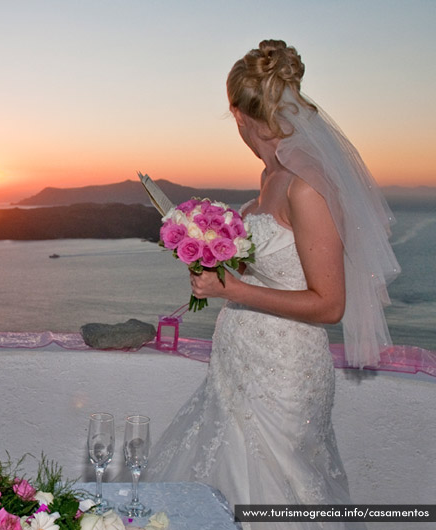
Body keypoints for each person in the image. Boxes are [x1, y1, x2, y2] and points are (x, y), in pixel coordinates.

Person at [149, 40, 399, 529]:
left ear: (239, 116)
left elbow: (329, 305)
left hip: (283, 372)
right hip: (236, 362)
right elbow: (274, 270)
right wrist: (211, 256)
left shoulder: (307, 186)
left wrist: (230, 292)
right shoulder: (271, 177)